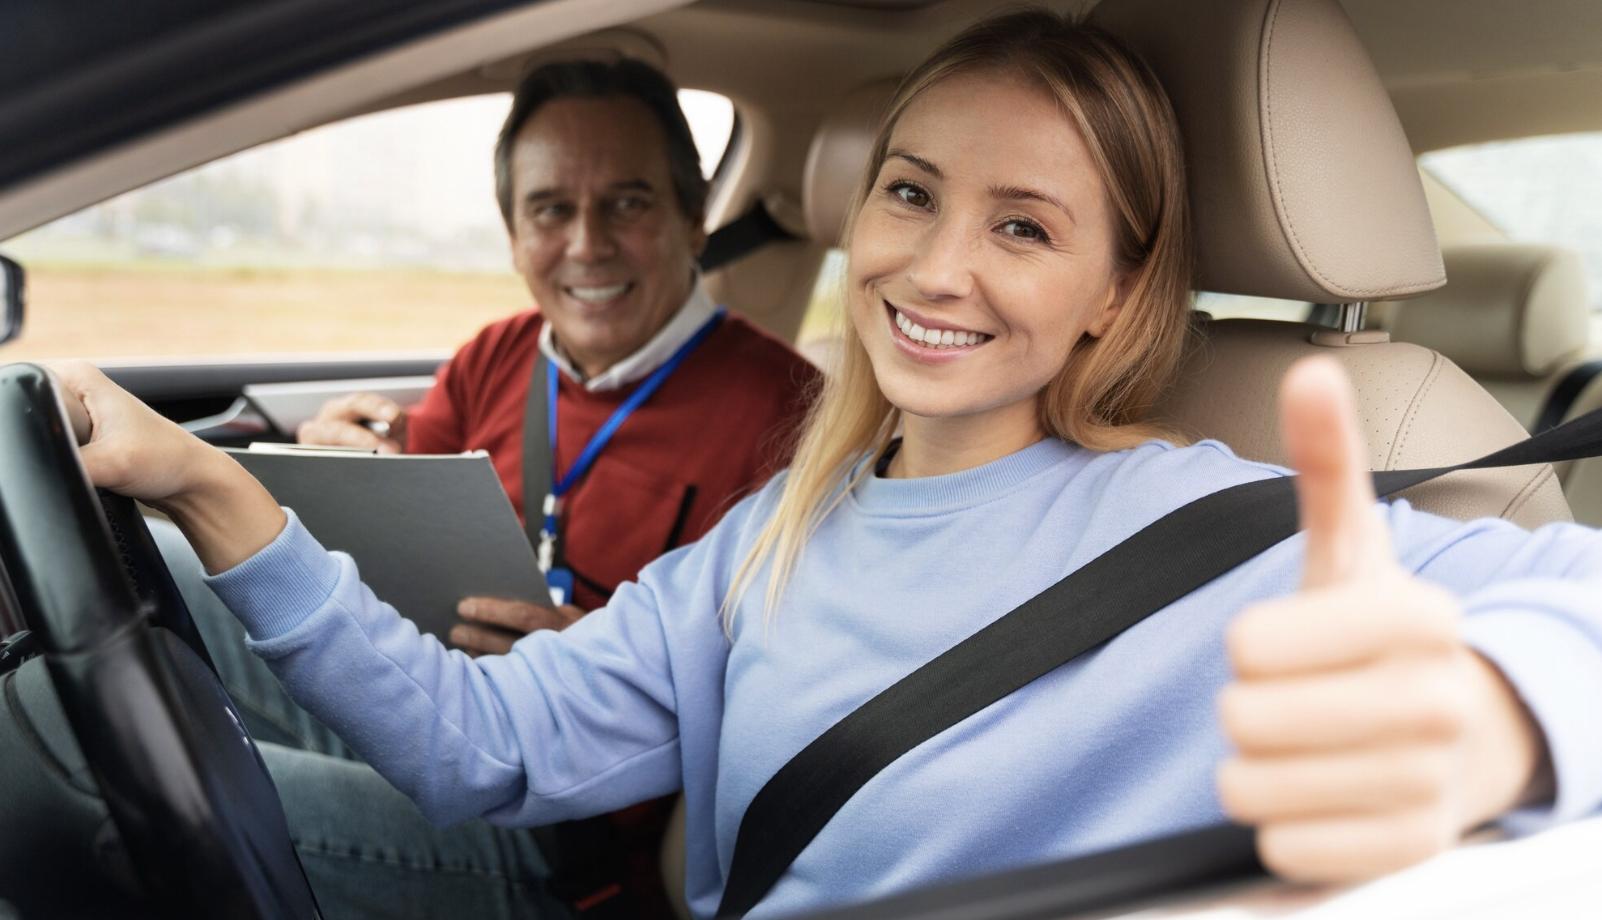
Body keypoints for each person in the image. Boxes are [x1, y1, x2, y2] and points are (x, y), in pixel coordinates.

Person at [59, 9, 1602, 919]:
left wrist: (1492, 712)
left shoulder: (1209, 519)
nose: (932, 268)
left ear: (1116, 297)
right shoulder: (774, 531)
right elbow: (486, 746)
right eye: (911, 195)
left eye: (1022, 226)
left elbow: (1573, 598)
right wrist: (214, 491)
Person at [152, 57, 818, 920]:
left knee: (161, 783)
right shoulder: (496, 357)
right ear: (512, 235)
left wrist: (612, 665)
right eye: (551, 209)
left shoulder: (789, 421)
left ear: (693, 219)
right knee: (167, 556)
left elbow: (787, 709)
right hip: (426, 701)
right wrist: (354, 473)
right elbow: (395, 534)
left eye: (627, 202)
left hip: (573, 830)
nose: (586, 243)